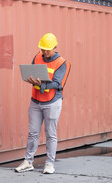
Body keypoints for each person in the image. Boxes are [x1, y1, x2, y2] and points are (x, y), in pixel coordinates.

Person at [15, 33, 71, 174]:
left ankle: (50, 164)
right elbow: (32, 71)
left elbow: (58, 84)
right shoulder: (37, 56)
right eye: (42, 49)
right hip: (36, 101)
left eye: (47, 49)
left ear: (55, 47)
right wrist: (31, 80)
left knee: (50, 134)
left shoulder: (62, 63)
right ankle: (28, 162)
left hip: (52, 102)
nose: (44, 52)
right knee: (33, 133)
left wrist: (42, 84)